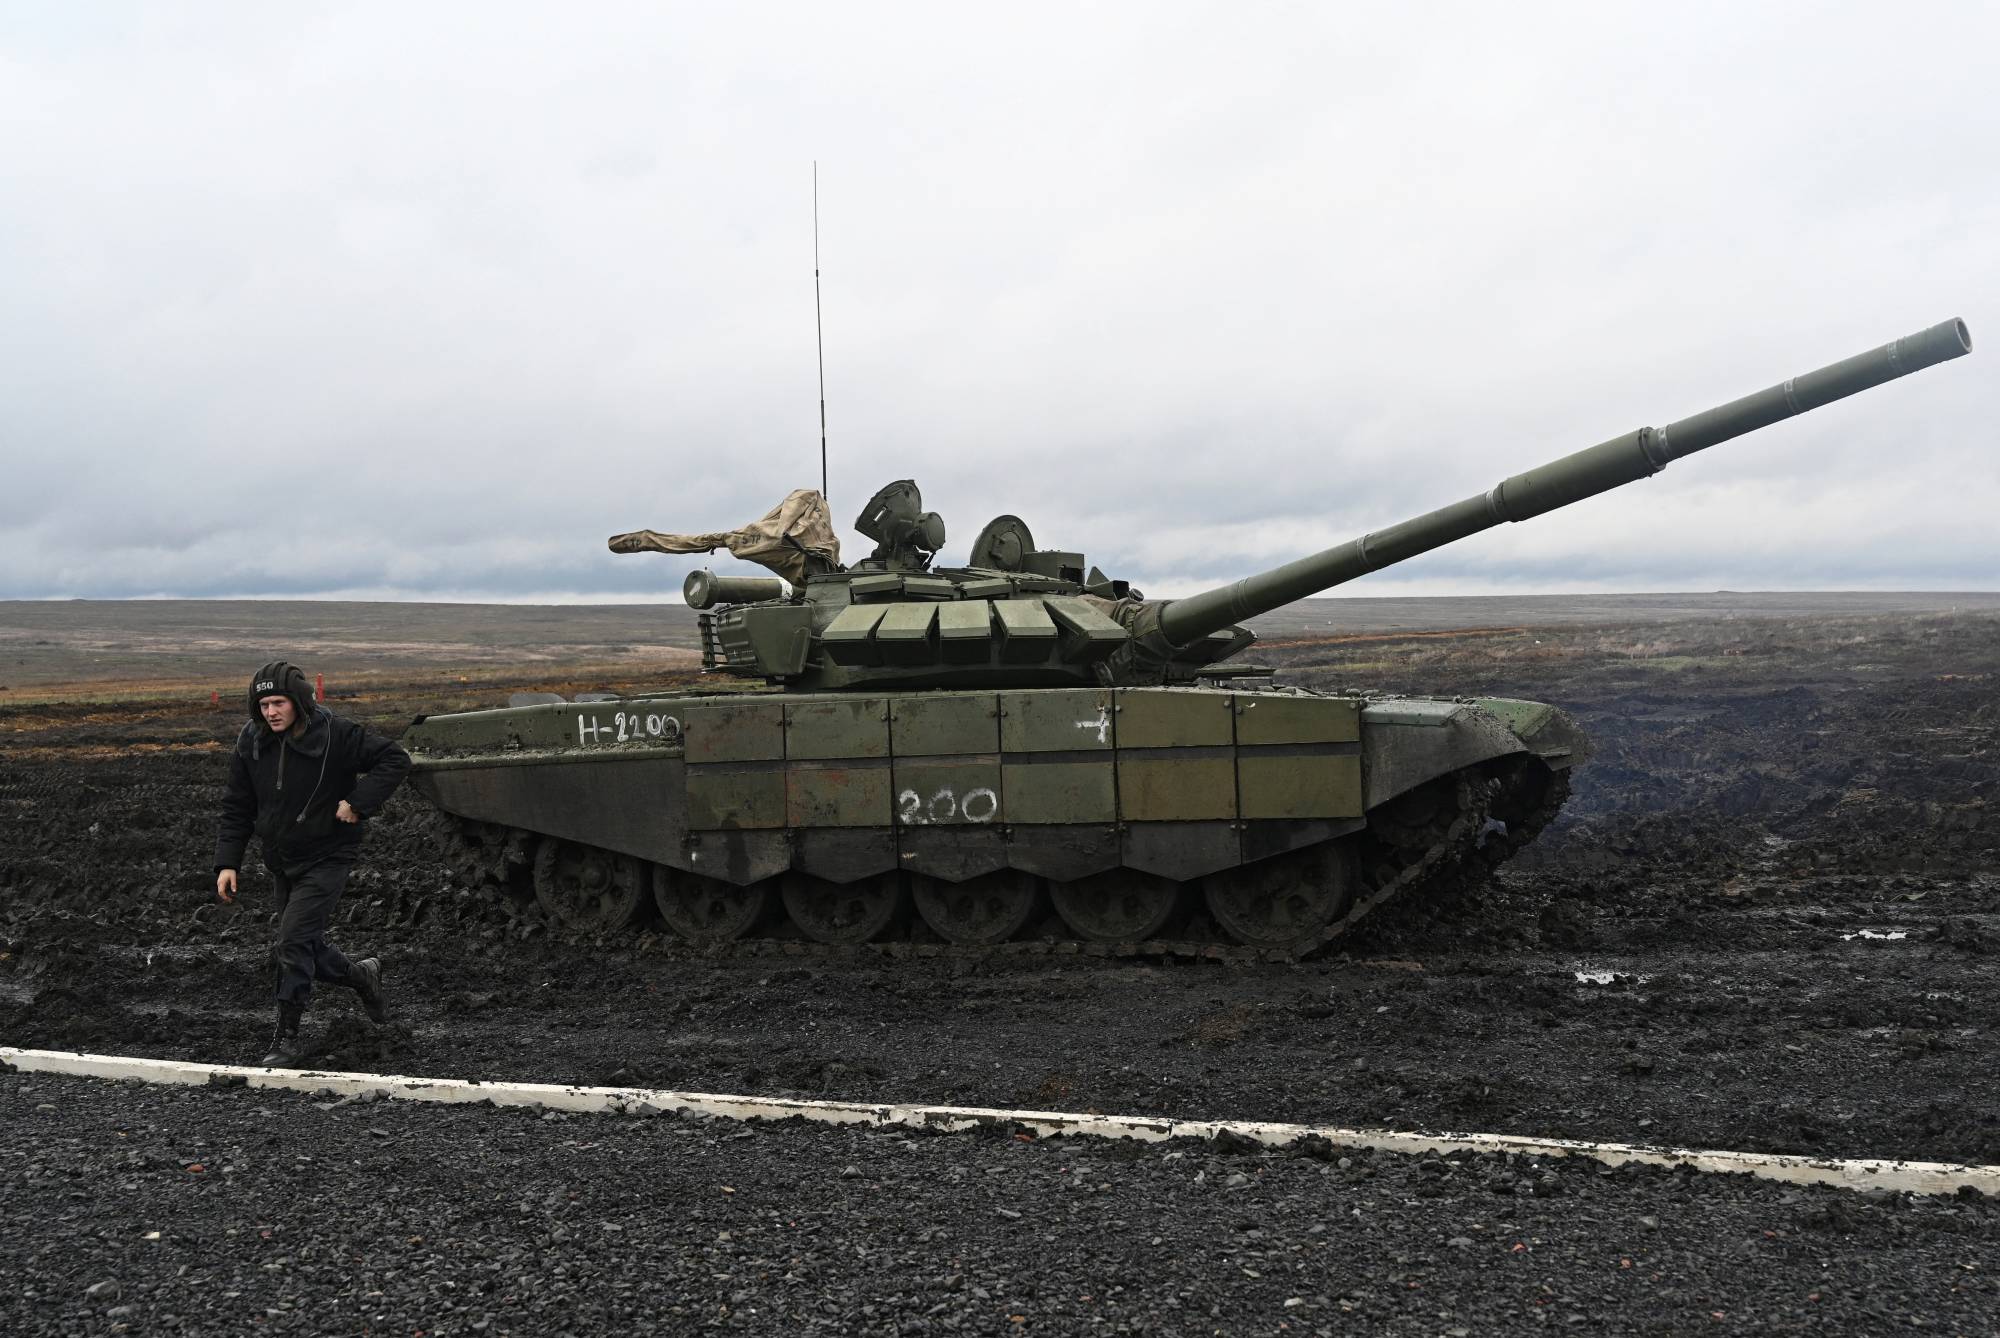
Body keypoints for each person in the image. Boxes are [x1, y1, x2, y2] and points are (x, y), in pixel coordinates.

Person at [213, 661, 411, 1066]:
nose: (271, 712)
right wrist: (227, 862)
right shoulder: (251, 742)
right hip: (282, 861)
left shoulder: (337, 735)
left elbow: (395, 759)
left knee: (291, 942)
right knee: (302, 943)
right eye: (264, 704)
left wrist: (358, 803)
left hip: (328, 855)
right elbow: (237, 805)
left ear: (299, 702)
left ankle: (286, 1036)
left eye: (279, 702)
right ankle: (362, 976)